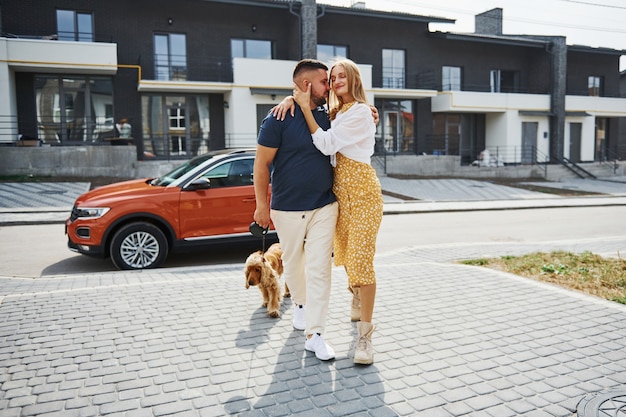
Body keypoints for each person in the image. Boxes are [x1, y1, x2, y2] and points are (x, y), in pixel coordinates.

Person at [292, 58, 384, 365]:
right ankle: (356, 295)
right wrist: (293, 100)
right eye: (333, 77)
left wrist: (305, 110)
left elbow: (328, 144)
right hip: (341, 196)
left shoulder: (359, 111)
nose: (336, 80)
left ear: (354, 78)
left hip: (363, 194)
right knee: (346, 255)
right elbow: (305, 97)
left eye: (342, 75)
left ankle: (365, 339)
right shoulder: (337, 112)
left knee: (361, 260)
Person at [253, 59, 338, 361]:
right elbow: (261, 164)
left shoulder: (330, 114)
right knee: (294, 265)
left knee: (319, 269)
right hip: (286, 209)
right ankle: (300, 305)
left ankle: (316, 334)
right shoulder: (278, 118)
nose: (329, 87)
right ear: (306, 85)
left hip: (324, 205)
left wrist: (369, 112)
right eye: (324, 82)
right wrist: (262, 205)